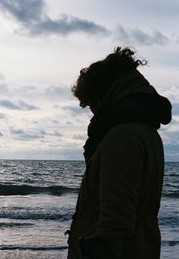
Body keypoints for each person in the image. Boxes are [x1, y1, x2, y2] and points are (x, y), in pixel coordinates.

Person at [66, 47, 172, 259]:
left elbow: (114, 225)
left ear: (107, 94)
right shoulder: (145, 131)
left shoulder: (123, 138)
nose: (93, 113)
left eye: (93, 103)